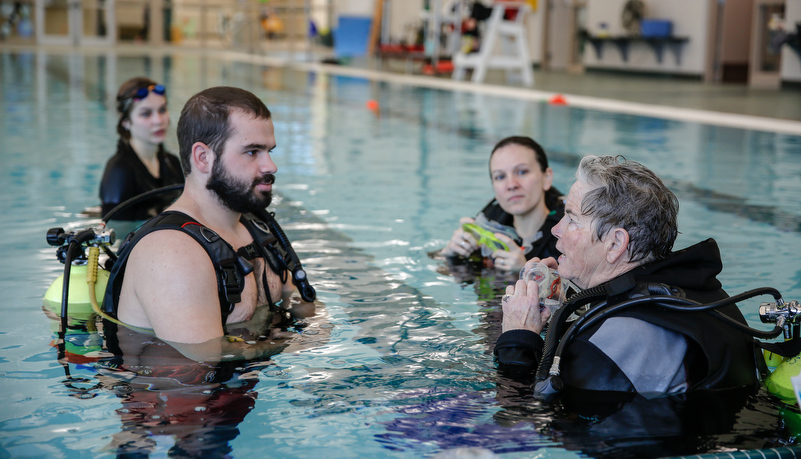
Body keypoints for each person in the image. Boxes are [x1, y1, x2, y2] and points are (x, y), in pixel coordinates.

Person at [495, 155, 764, 396]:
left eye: (572, 219)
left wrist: (518, 338)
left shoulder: (617, 339)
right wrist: (563, 309)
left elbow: (526, 418)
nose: (556, 229)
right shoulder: (695, 289)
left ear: (615, 244)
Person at [103, 86, 316, 349]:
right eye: (252, 152)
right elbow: (204, 365)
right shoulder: (172, 252)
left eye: (269, 151)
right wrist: (296, 344)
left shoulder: (259, 231)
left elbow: (300, 303)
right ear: (203, 158)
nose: (270, 166)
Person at [441, 136, 563, 273]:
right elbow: (444, 272)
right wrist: (449, 253)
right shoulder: (490, 223)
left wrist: (523, 272)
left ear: (547, 178)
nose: (511, 185)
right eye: (500, 177)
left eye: (522, 172)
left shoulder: (567, 235)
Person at [99, 77, 184, 221]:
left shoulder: (172, 163)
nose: (159, 120)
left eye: (162, 110)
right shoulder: (119, 171)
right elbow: (115, 231)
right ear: (126, 121)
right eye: (146, 113)